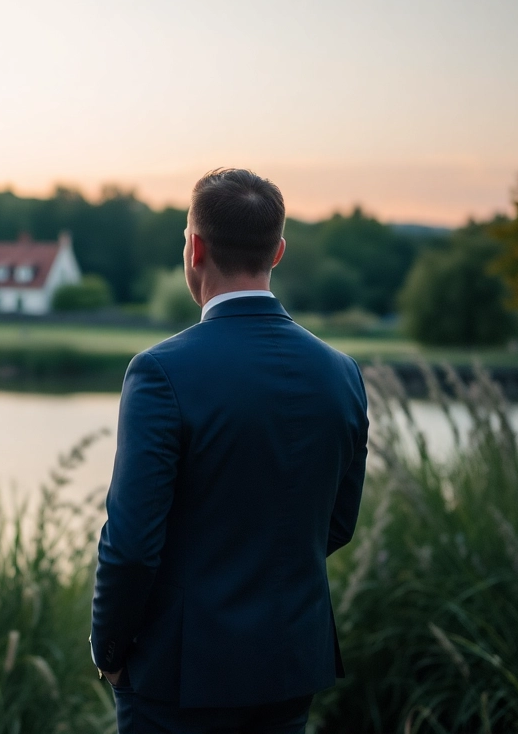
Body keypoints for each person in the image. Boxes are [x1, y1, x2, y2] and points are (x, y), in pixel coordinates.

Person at [90, 168, 369, 733]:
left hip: (179, 675)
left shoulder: (161, 372)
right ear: (279, 251)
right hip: (290, 665)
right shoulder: (341, 373)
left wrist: (110, 649)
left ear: (195, 248)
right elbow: (336, 525)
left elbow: (133, 547)